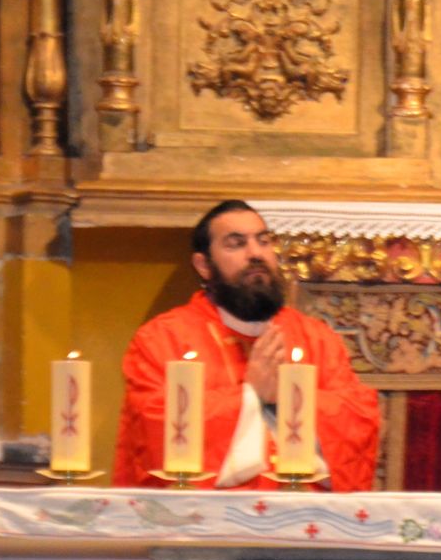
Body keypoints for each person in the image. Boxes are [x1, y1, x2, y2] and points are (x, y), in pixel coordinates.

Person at [113, 199, 380, 491]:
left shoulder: (316, 337)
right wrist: (249, 396)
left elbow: (359, 417)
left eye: (263, 241)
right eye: (236, 244)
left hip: (303, 520)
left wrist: (287, 398)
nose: (255, 253)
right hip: (205, 525)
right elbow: (153, 425)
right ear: (204, 265)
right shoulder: (162, 339)